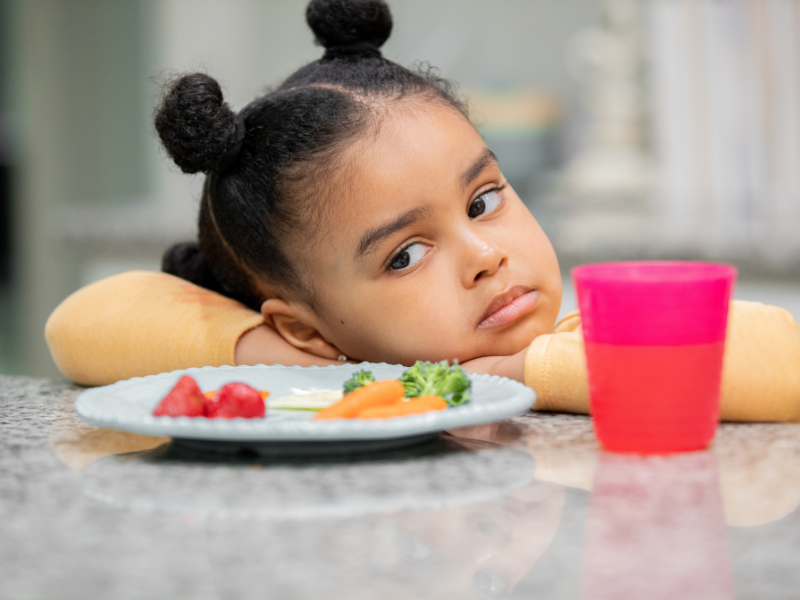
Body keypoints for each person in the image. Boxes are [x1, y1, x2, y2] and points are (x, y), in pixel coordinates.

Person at [46, 0, 800, 422]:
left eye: (483, 199)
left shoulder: (575, 340)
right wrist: (320, 366)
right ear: (306, 326)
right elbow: (80, 323)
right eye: (405, 254)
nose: (484, 254)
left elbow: (784, 362)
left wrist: (516, 372)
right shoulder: (346, 374)